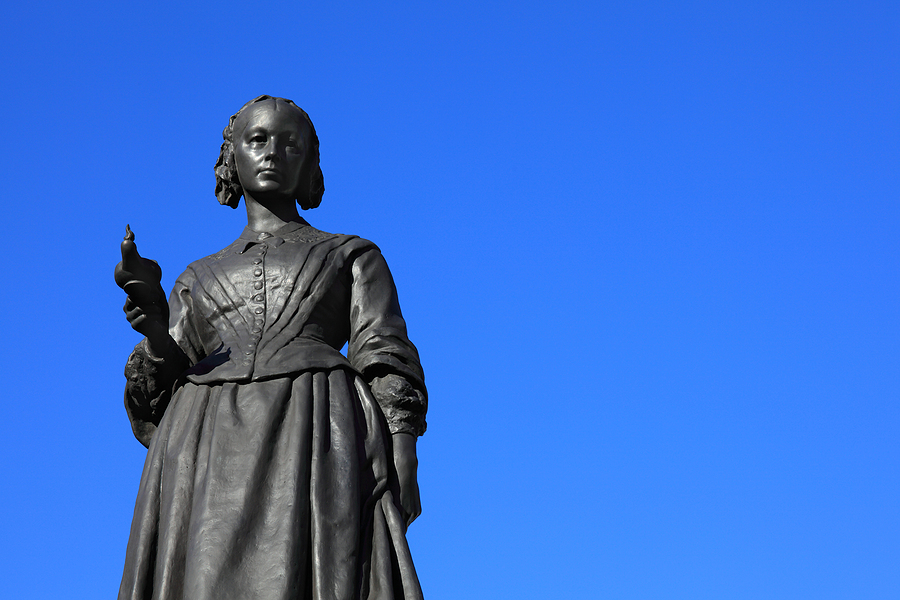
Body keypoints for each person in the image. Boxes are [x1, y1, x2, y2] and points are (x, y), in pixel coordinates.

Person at [115, 95, 427, 600]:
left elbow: (383, 350)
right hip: (207, 443)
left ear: (309, 161)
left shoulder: (351, 254)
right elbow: (160, 393)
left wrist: (403, 447)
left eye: (290, 143)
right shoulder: (197, 276)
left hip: (319, 434)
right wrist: (153, 329)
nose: (272, 152)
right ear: (231, 156)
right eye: (257, 139)